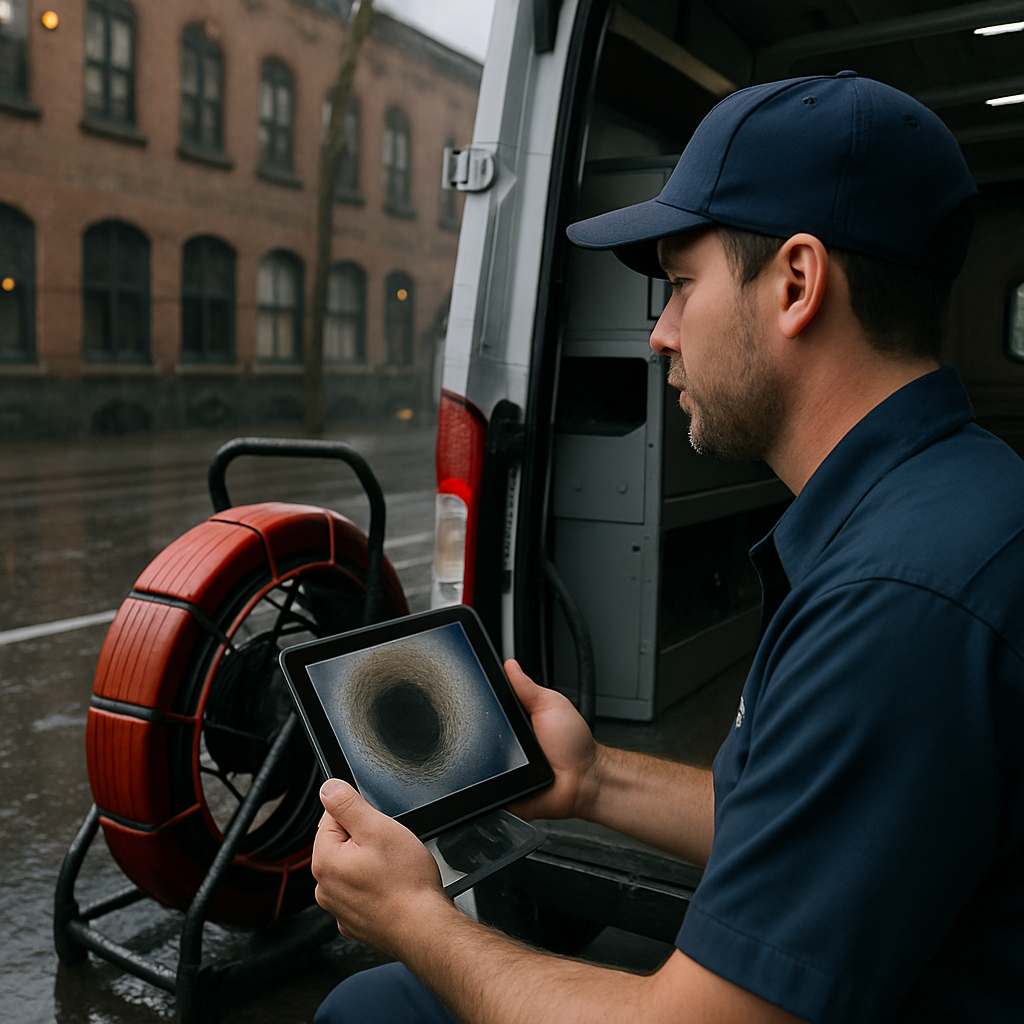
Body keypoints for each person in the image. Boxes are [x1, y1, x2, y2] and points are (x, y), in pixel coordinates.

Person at [310, 72, 1024, 1023]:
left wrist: (413, 918)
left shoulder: (897, 598)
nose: (660, 333)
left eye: (683, 286)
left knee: (378, 1008)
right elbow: (814, 822)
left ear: (798, 284)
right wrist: (595, 779)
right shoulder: (956, 501)